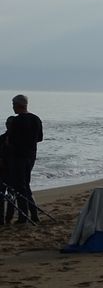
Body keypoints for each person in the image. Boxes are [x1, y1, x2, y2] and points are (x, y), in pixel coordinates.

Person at [5, 94, 43, 224]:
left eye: (13, 105)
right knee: (25, 185)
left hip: (17, 157)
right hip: (31, 156)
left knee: (20, 187)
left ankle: (23, 216)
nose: (13, 107)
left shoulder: (17, 121)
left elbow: (10, 140)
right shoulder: (36, 119)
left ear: (18, 105)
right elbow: (39, 138)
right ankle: (33, 213)